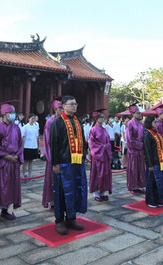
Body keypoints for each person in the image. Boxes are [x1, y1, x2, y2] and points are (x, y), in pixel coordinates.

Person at [50, 96, 88, 235]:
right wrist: (55, 163)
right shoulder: (58, 122)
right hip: (64, 163)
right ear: (64, 106)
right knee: (61, 192)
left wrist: (84, 155)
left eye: (75, 104)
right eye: (71, 104)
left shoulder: (78, 122)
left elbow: (83, 141)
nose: (74, 106)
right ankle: (59, 220)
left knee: (76, 190)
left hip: (77, 162)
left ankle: (71, 218)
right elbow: (54, 144)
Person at [0, 101, 23, 223]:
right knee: (0, 187)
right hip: (2, 163)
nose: (13, 115)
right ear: (4, 114)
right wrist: (6, 156)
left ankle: (5, 210)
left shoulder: (16, 127)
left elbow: (20, 144)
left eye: (14, 112)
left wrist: (17, 156)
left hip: (13, 162)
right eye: (10, 113)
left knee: (10, 187)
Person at [143, 115, 163, 207]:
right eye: (155, 122)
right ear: (150, 123)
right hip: (153, 163)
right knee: (152, 182)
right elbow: (147, 150)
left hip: (160, 161)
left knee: (159, 182)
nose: (157, 123)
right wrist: (150, 164)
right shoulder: (147, 134)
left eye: (157, 122)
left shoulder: (156, 133)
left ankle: (159, 199)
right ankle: (151, 201)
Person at [42, 98, 63, 208]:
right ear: (55, 109)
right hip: (54, 155)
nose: (62, 110)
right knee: (53, 179)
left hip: (63, 155)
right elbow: (48, 140)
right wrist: (52, 157)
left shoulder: (64, 120)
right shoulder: (50, 122)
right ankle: (53, 202)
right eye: (60, 108)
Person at [88, 109, 112, 202]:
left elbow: (108, 140)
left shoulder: (104, 129)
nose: (102, 119)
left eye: (102, 118)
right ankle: (97, 193)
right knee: (98, 174)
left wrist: (107, 145)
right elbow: (92, 144)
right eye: (100, 118)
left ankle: (103, 192)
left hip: (105, 155)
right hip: (98, 156)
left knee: (105, 174)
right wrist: (102, 146)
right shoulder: (93, 130)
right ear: (96, 119)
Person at [125, 103, 146, 195]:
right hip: (133, 150)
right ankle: (133, 186)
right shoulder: (129, 124)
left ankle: (140, 185)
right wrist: (139, 145)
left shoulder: (141, 124)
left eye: (139, 113)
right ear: (133, 114)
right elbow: (129, 139)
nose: (139, 114)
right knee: (133, 169)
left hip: (141, 150)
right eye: (137, 113)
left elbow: (144, 135)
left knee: (140, 168)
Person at [22, 114, 40, 179]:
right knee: (25, 161)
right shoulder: (25, 127)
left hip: (33, 146)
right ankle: (24, 174)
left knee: (31, 161)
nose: (33, 120)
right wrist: (22, 147)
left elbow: (37, 137)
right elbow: (23, 137)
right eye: (32, 118)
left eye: (34, 118)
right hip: (27, 146)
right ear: (29, 119)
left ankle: (30, 174)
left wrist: (38, 147)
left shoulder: (35, 127)